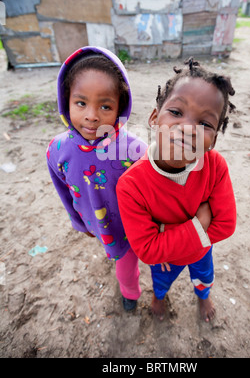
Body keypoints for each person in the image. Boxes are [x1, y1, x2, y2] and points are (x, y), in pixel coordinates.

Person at [116, 57, 237, 321]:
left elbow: (226, 224)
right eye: (177, 112)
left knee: (204, 277)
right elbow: (147, 251)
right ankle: (159, 296)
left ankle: (203, 297)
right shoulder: (131, 185)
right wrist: (202, 222)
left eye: (205, 124)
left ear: (213, 139)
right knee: (161, 282)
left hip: (187, 252)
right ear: (154, 118)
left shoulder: (215, 166)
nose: (188, 128)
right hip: (171, 257)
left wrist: (166, 240)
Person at [46, 46, 147, 311]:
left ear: (120, 108)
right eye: (81, 103)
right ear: (65, 100)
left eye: (105, 105)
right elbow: (63, 190)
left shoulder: (135, 151)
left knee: (126, 269)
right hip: (95, 224)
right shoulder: (58, 150)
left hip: (130, 230)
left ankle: (130, 294)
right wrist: (79, 221)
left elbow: (152, 192)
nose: (91, 115)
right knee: (108, 246)